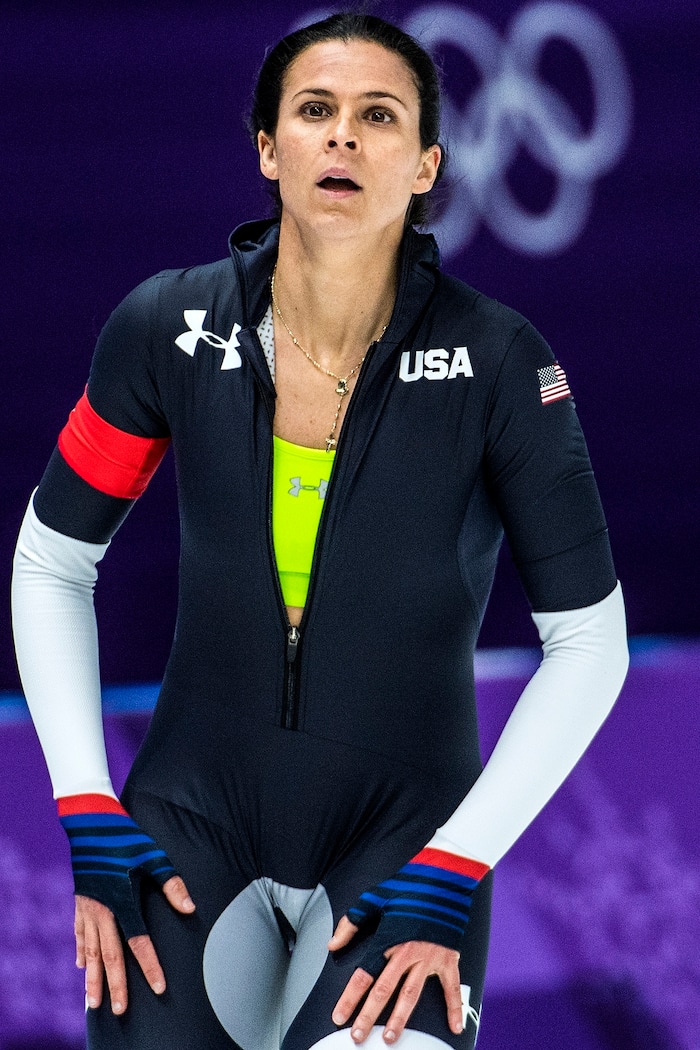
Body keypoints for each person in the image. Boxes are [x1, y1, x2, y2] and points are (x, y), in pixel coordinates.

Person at [11, 12, 629, 1050]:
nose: (342, 136)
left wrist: (457, 862)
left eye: (377, 116)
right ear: (268, 148)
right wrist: (81, 798)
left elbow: (588, 642)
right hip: (186, 829)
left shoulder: (501, 364)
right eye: (314, 110)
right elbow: (51, 561)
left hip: (407, 852)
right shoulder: (165, 327)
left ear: (426, 164)